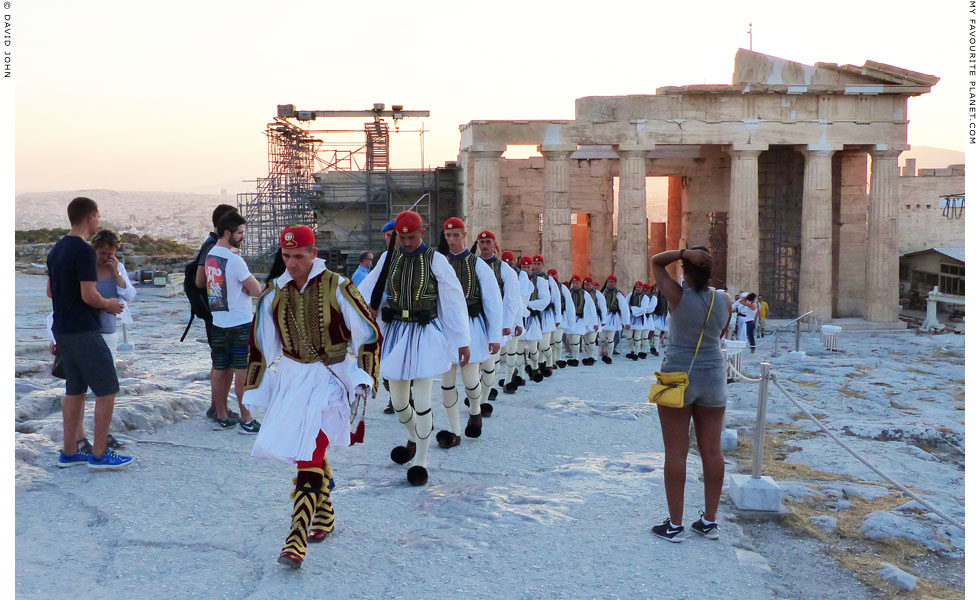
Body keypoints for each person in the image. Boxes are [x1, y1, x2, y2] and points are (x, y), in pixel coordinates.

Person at [242, 224, 380, 568]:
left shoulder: (339, 287)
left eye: (298, 256)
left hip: (330, 377)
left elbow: (368, 333)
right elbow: (261, 342)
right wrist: (256, 387)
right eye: (286, 256)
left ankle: (296, 536)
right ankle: (326, 514)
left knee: (310, 451)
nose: (292, 263)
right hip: (292, 378)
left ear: (313, 254)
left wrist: (364, 376)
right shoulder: (275, 292)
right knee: (309, 448)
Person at [357, 210, 470, 486]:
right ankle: (416, 435)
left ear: (422, 233)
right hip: (396, 333)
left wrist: (462, 339)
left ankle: (421, 460)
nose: (406, 242)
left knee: (421, 401)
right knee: (398, 403)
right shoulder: (388, 258)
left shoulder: (436, 260)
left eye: (411, 237)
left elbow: (453, 300)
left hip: (425, 332)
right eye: (402, 237)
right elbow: (368, 290)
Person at [650, 246, 733, 542]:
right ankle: (709, 521)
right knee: (712, 451)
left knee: (676, 452)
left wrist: (682, 251)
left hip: (677, 373)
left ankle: (675, 525)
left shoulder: (677, 296)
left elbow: (656, 261)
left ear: (685, 270)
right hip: (712, 373)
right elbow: (721, 333)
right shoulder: (724, 299)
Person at [47, 197, 132, 469]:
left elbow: (51, 291)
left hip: (64, 330)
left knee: (75, 391)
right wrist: (109, 305)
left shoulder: (56, 249)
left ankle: (69, 451)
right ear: (91, 218)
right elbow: (89, 294)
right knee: (107, 389)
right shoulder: (83, 251)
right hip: (85, 330)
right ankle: (99, 454)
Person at [434, 219, 503, 447]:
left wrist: (494, 336)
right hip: (445, 329)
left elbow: (492, 302)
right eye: (448, 236)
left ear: (464, 235)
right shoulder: (439, 263)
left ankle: (475, 411)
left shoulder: (478, 265)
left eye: (456, 235)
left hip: (472, 327)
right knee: (447, 382)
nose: (452, 240)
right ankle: (454, 431)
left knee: (471, 379)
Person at [204, 211, 263, 433]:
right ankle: (246, 419)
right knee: (242, 371)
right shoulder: (234, 260)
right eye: (239, 233)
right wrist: (247, 288)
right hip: (239, 322)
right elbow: (257, 290)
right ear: (227, 232)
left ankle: (221, 414)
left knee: (220, 368)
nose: (242, 237)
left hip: (218, 320)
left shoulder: (211, 255)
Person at [195, 204, 241, 422]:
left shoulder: (211, 246)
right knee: (223, 364)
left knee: (222, 362)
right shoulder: (214, 248)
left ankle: (219, 408)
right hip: (220, 315)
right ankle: (218, 408)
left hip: (216, 313)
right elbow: (200, 281)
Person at [476, 232, 521, 403]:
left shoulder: (505, 270)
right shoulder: (472, 265)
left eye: (488, 242)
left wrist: (507, 324)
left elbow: (511, 299)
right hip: (476, 319)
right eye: (482, 242)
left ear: (495, 244)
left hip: (494, 322)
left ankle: (483, 400)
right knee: (476, 364)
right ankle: (477, 396)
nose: (485, 245)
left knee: (490, 363)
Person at [518, 256, 554, 383]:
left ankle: (536, 366)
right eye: (524, 267)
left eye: (528, 267)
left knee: (533, 349)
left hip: (532, 317)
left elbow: (545, 300)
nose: (526, 269)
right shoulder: (515, 279)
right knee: (519, 349)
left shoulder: (539, 281)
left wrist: (528, 305)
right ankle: (521, 375)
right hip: (519, 318)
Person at [563, 275, 598, 366]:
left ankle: (576, 358)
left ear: (580, 283)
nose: (575, 285)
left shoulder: (585, 294)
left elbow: (592, 308)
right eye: (573, 283)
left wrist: (595, 322)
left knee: (576, 339)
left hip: (580, 319)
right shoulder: (568, 293)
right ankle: (574, 356)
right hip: (570, 319)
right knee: (570, 339)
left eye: (577, 283)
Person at [599, 275, 629, 364]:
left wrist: (626, 321)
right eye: (610, 282)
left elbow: (624, 308)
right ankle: (603, 351)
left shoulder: (618, 294)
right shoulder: (603, 292)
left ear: (615, 283)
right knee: (602, 338)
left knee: (611, 338)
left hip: (613, 317)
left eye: (613, 282)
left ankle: (609, 356)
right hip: (604, 317)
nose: (611, 283)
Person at [581, 277, 606, 365]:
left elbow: (603, 307)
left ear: (592, 284)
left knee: (592, 339)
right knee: (586, 340)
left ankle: (592, 356)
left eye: (588, 284)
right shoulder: (581, 293)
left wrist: (604, 320)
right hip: (584, 319)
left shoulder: (597, 294)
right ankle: (589, 355)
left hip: (595, 319)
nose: (586, 286)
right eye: (585, 284)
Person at [625, 281, 649, 361]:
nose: (637, 289)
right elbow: (625, 305)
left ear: (642, 288)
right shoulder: (630, 295)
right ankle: (632, 349)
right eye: (636, 287)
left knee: (637, 337)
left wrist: (632, 308)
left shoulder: (645, 298)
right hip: (631, 318)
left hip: (639, 318)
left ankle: (636, 353)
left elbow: (643, 309)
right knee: (628, 336)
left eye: (639, 287)